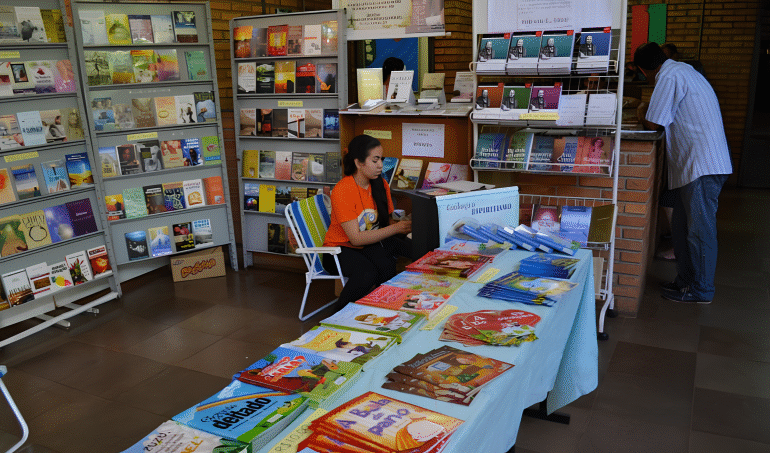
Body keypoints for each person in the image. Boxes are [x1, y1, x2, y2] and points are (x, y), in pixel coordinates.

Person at [634, 42, 732, 304]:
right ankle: (686, 280)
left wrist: (640, 109)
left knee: (700, 231)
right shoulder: (681, 71)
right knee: (680, 228)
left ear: (643, 70)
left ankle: (701, 290)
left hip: (701, 166)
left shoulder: (669, 76)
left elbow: (654, 120)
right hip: (695, 165)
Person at [322, 134, 412, 306]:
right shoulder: (343, 190)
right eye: (375, 160)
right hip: (339, 249)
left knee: (413, 252)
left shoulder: (380, 184)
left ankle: (384, 307)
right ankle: (339, 316)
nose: (381, 165)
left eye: (382, 159)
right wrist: (396, 229)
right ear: (358, 163)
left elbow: (388, 223)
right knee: (366, 273)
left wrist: (408, 222)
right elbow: (355, 239)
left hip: (368, 243)